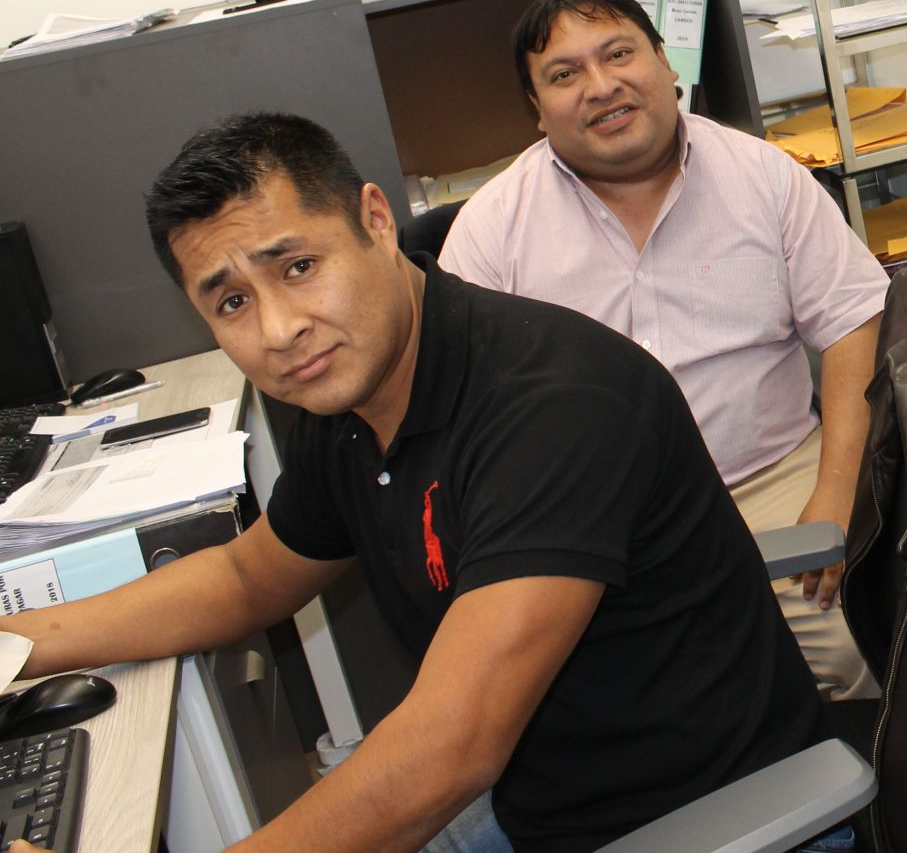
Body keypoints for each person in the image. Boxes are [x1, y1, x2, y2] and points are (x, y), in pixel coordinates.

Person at [0, 113, 823, 853]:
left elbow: (448, 751)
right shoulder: (353, 393)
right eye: (232, 303)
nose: (279, 330)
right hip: (539, 798)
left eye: (298, 267)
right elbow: (248, 576)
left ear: (375, 220)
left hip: (699, 819)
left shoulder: (555, 407)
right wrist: (17, 644)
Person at [438, 0, 887, 700]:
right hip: (593, 525)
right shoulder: (492, 230)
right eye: (564, 74)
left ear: (665, 61)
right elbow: (463, 415)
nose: (601, 86)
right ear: (537, 110)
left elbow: (851, 321)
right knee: (606, 703)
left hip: (773, 481)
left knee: (859, 653)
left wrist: (836, 489)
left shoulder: (763, 176)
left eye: (618, 54)